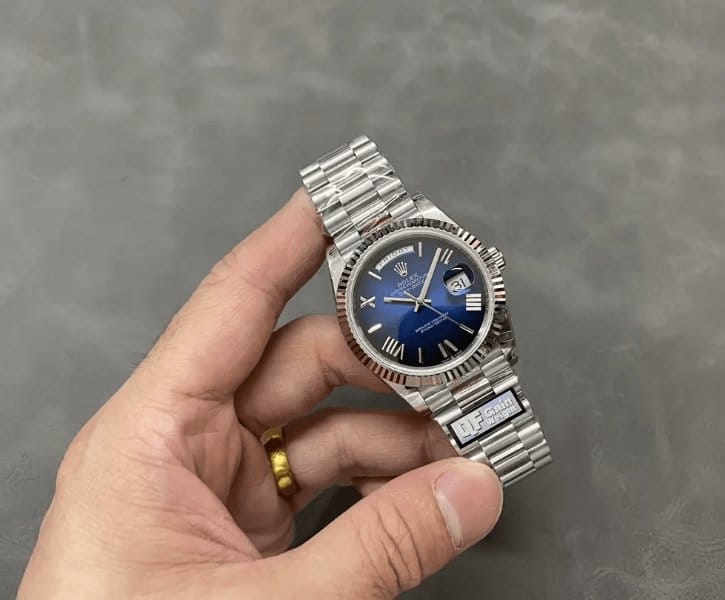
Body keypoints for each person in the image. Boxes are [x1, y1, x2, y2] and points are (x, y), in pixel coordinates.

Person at [18, 190, 504, 599]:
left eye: (422, 295)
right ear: (360, 335)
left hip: (470, 342)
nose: (419, 301)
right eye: (409, 299)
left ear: (488, 268)